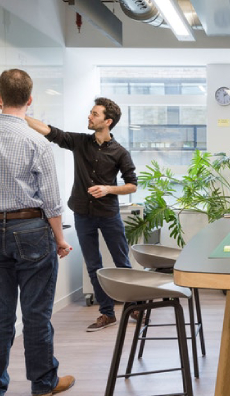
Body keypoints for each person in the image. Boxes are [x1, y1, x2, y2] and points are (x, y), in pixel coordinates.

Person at [0, 68, 75, 396]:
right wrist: (60, 238)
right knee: (36, 315)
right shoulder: (35, 141)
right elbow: (51, 200)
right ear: (29, 100)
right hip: (32, 231)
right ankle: (44, 384)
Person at [26, 98, 138, 332]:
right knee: (93, 265)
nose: (89, 116)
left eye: (94, 114)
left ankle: (135, 307)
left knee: (122, 264)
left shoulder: (120, 153)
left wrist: (108, 189)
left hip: (108, 214)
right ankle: (107, 314)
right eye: (90, 112)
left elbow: (132, 185)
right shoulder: (79, 142)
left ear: (107, 121)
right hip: (82, 214)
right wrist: (20, 115)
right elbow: (50, 131)